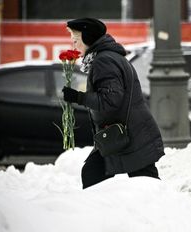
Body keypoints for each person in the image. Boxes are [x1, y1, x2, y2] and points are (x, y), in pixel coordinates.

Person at [63, 18, 164, 189]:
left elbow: (111, 100)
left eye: (76, 40)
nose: (74, 46)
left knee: (146, 185)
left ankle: (168, 212)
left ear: (88, 38)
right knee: (96, 174)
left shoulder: (104, 61)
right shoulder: (109, 57)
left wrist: (79, 97)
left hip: (129, 134)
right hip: (124, 133)